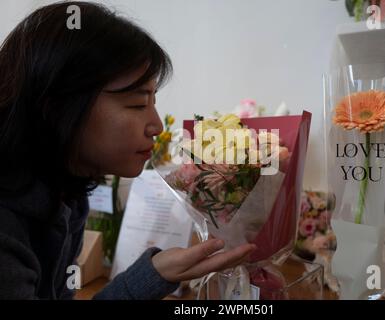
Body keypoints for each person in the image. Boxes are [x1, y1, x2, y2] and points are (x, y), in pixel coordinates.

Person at [0, 1, 256, 300]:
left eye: (153, 103)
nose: (157, 126)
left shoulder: (67, 194)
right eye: (137, 104)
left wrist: (155, 274)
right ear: (57, 106)